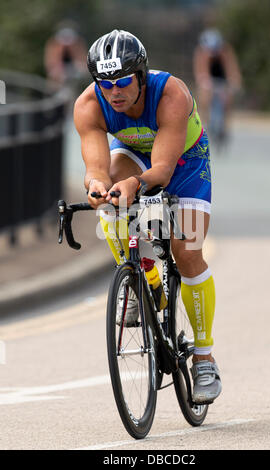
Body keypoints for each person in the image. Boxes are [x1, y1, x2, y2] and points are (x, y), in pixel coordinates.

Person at [73, 29, 221, 405]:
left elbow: (162, 170)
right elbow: (96, 167)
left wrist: (135, 184)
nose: (115, 92)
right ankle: (144, 281)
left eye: (123, 81)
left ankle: (204, 359)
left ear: (140, 75)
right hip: (133, 152)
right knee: (110, 203)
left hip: (183, 161)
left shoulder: (172, 94)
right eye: (105, 84)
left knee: (186, 250)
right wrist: (97, 187)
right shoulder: (89, 105)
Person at [193, 28, 242, 132]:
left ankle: (225, 124)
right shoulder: (201, 53)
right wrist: (204, 82)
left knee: (228, 96)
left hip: (222, 76)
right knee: (204, 93)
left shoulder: (226, 51)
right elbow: (201, 70)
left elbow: (232, 68)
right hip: (208, 76)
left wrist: (234, 81)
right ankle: (205, 120)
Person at [44, 22, 88, 87]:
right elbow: (51, 64)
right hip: (60, 74)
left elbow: (83, 62)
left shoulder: (78, 45)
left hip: (74, 70)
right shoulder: (54, 45)